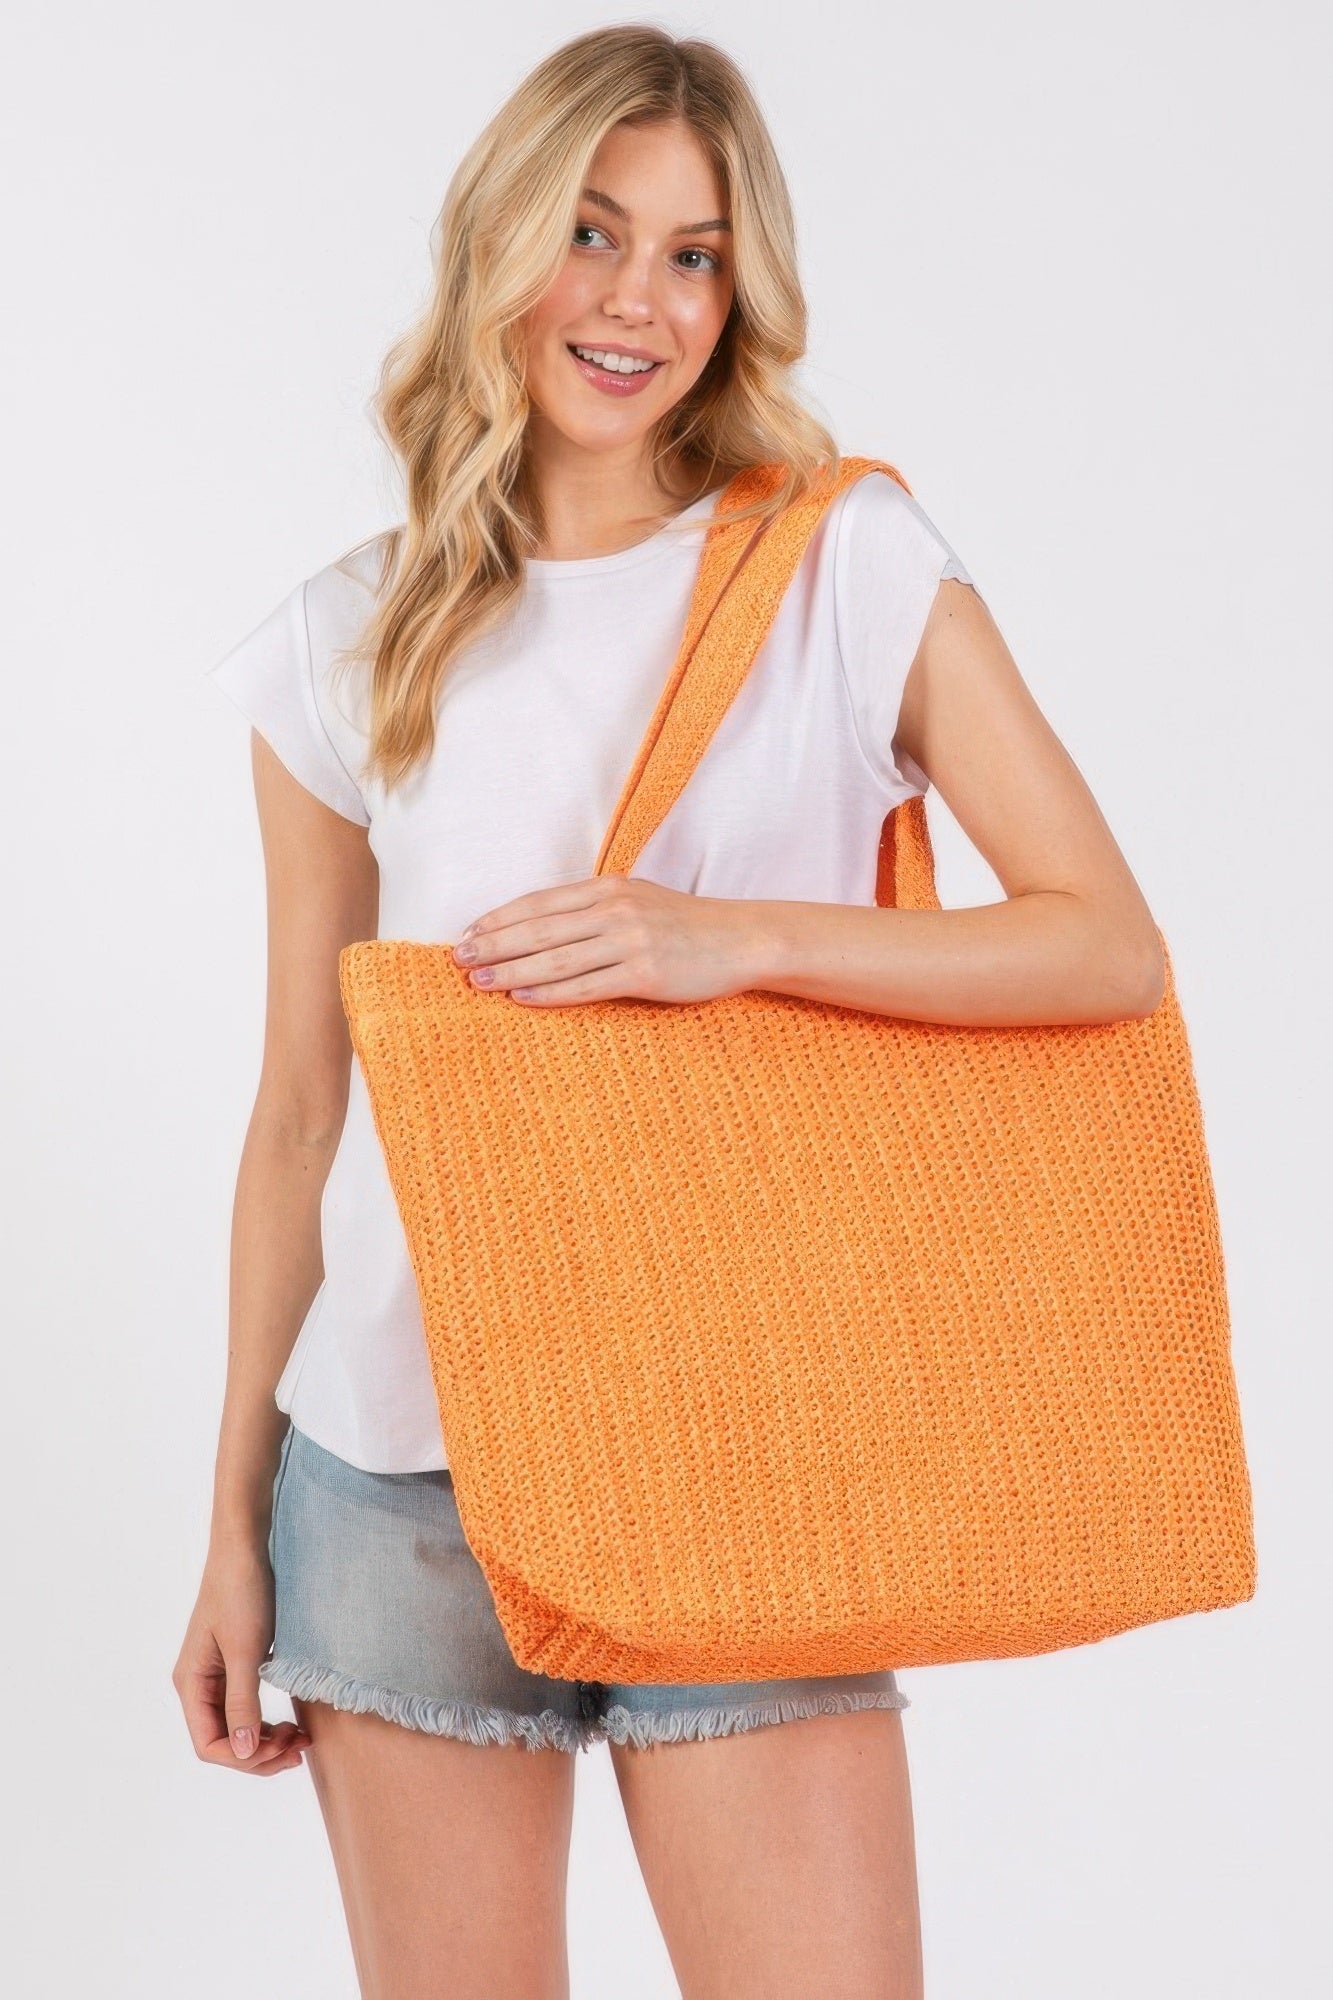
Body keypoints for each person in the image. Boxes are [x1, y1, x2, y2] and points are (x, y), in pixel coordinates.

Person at [173, 25, 1165, 2000]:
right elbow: (300, 1105)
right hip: (393, 1473)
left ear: (739, 290)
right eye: (593, 232)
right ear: (499, 243)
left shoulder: (835, 566)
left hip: (743, 1427)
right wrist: (229, 1523)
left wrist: (729, 941)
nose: (637, 299)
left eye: (695, 255)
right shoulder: (345, 639)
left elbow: (1103, 946)